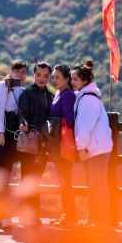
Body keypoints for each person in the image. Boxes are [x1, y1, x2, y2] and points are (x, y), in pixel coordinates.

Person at [71, 59, 113, 231]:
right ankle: (96, 220)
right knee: (96, 185)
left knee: (97, 186)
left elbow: (85, 126)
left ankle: (101, 222)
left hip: (94, 149)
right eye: (72, 78)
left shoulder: (87, 99)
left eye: (75, 79)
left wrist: (80, 148)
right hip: (98, 147)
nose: (72, 82)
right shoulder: (87, 96)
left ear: (84, 81)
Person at [0, 59, 28, 228]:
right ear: (11, 71)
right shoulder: (3, 86)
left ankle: (3, 214)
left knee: (8, 173)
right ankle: (3, 215)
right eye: (17, 71)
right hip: (3, 132)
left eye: (23, 72)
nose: (20, 75)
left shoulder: (21, 90)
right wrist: (0, 132)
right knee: (1, 173)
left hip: (14, 134)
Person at [18, 61, 54, 227]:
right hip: (30, 142)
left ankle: (34, 216)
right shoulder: (27, 93)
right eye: (38, 75)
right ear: (34, 75)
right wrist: (23, 123)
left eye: (46, 76)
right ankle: (26, 217)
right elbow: (21, 114)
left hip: (43, 145)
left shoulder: (49, 95)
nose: (42, 78)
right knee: (27, 179)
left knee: (36, 180)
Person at [49, 63, 78, 228]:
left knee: (65, 181)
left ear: (67, 79)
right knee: (63, 181)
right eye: (53, 77)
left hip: (63, 144)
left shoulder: (67, 95)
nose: (54, 80)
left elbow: (70, 121)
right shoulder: (59, 93)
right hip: (58, 144)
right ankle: (67, 215)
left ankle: (70, 218)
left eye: (57, 78)